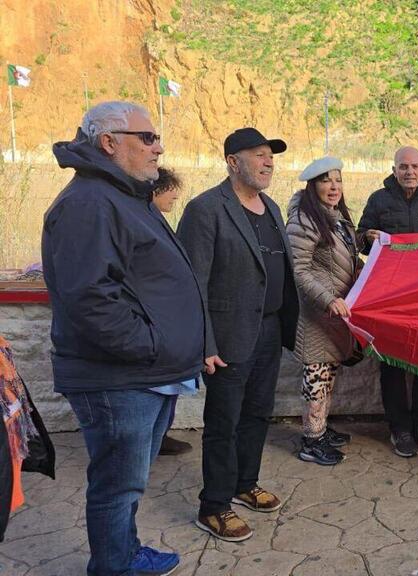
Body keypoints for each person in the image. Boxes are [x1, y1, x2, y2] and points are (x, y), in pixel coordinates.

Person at [43, 101, 204, 575]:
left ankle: (124, 553)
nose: (159, 148)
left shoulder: (121, 195)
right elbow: (89, 298)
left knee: (127, 482)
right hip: (120, 378)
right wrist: (152, 346)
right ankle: (112, 566)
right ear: (109, 143)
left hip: (143, 373)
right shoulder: (89, 203)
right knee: (117, 484)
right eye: (147, 138)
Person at [178, 127, 299, 542]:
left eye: (271, 156)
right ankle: (214, 505)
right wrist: (204, 343)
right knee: (223, 422)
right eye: (259, 155)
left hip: (269, 329)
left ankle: (245, 483)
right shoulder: (206, 209)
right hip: (229, 335)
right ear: (233, 162)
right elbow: (192, 284)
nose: (269, 162)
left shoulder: (272, 207)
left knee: (258, 414)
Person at [356, 146, 418, 457]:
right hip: (390, 297)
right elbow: (359, 237)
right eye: (403, 166)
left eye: (414, 166)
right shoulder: (378, 200)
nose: (409, 172)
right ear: (394, 169)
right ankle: (399, 428)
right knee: (392, 364)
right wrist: (368, 239)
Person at [286, 157, 362, 466]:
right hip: (317, 315)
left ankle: (320, 429)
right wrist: (328, 299)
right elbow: (299, 270)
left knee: (327, 376)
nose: (334, 187)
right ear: (312, 186)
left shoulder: (336, 217)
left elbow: (342, 257)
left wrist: (365, 241)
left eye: (338, 180)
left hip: (334, 316)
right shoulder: (304, 219)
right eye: (325, 180)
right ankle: (311, 441)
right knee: (316, 379)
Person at [150, 167, 194, 457]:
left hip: (170, 323)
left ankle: (160, 437)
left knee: (169, 392)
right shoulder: (144, 222)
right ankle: (154, 440)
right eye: (170, 189)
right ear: (155, 190)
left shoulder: (157, 221)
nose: (175, 195)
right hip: (158, 325)